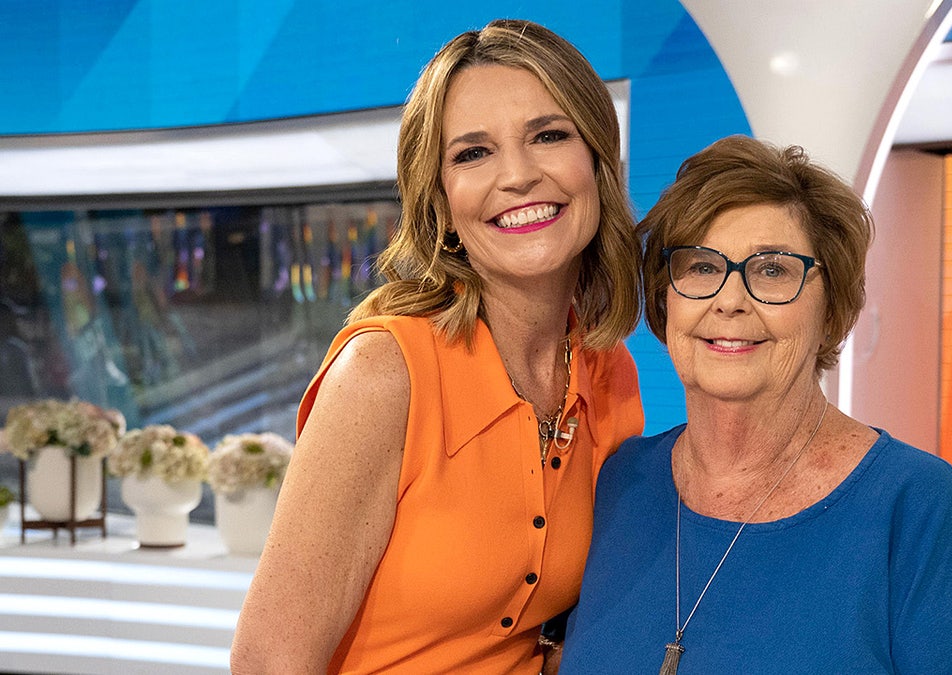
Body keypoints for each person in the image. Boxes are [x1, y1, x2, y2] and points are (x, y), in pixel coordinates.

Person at [230, 19, 643, 674]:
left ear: (597, 161)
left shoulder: (608, 367)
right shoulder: (382, 372)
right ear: (443, 205)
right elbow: (268, 663)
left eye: (548, 135)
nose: (519, 175)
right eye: (473, 153)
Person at [559, 135, 952, 674]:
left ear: (831, 305)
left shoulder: (912, 505)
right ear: (666, 297)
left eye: (772, 270)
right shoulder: (617, 483)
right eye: (702, 267)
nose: (729, 301)